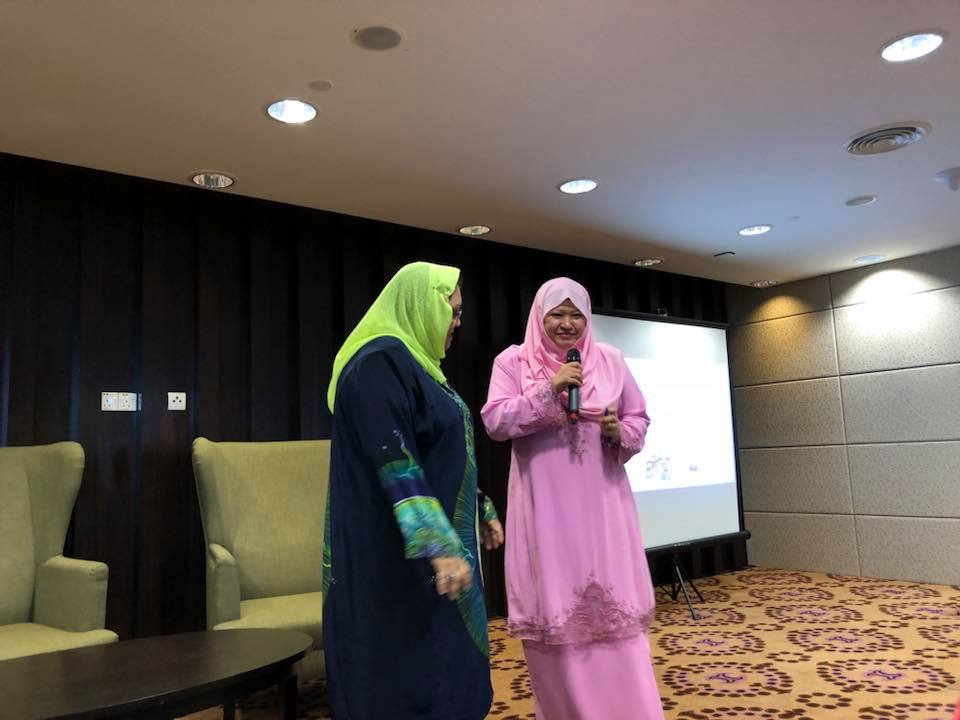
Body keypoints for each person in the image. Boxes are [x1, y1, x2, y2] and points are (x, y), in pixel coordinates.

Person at [323, 261, 504, 720]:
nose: (457, 324)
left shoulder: (420, 368)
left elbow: (439, 454)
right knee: (402, 683)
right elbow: (393, 457)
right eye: (452, 311)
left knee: (443, 676)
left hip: (433, 562)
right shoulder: (376, 364)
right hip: (395, 565)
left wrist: (479, 507)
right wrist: (438, 543)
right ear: (419, 305)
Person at [481, 277, 664, 720]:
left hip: (604, 510)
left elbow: (639, 417)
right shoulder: (513, 362)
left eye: (576, 315)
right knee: (556, 616)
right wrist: (549, 389)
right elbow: (495, 421)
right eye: (557, 314)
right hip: (546, 513)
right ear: (538, 317)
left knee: (616, 623)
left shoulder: (611, 360)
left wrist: (621, 432)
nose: (567, 324)